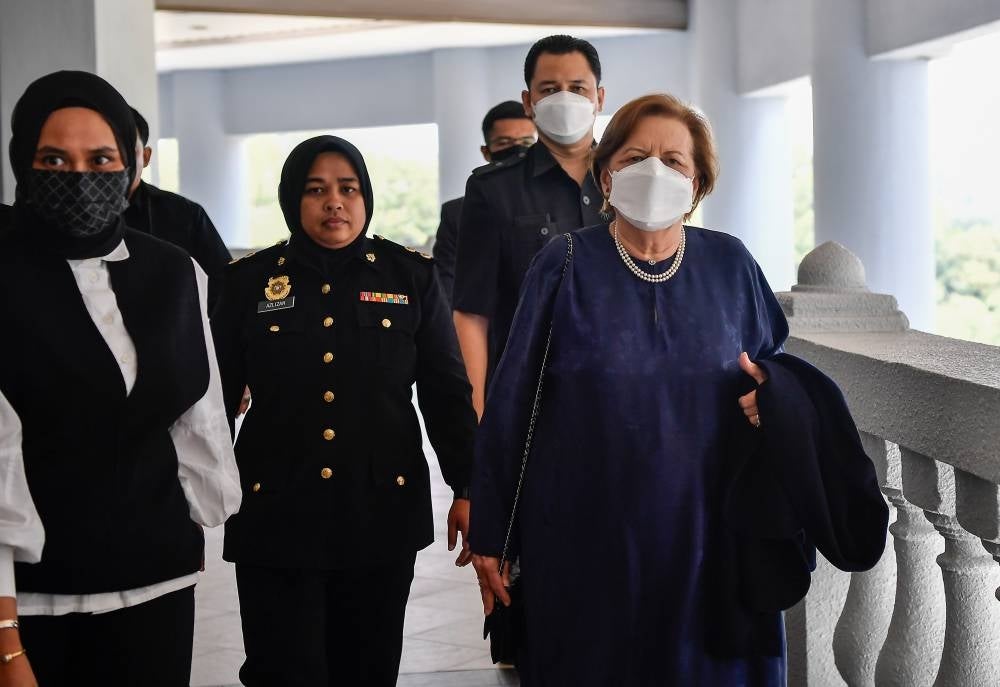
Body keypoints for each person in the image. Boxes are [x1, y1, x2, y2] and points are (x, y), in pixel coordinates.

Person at [468, 94, 889, 685]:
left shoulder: (731, 264)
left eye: (674, 161)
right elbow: (512, 404)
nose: (654, 172)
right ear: (607, 173)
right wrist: (490, 530)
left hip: (714, 536)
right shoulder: (563, 264)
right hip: (586, 534)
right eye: (637, 156)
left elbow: (771, 363)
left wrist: (771, 397)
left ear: (697, 185)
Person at [0, 70, 241, 687]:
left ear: (131, 166)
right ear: (22, 162)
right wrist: (5, 640)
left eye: (101, 158)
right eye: (54, 158)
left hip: (156, 578)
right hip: (34, 598)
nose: (80, 178)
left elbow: (199, 414)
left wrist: (197, 517)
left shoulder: (172, 271)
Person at [211, 135, 477, 686]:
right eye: (316, 190)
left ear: (365, 197)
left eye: (348, 189)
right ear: (292, 200)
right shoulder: (245, 284)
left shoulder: (410, 277)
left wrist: (469, 487)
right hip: (276, 514)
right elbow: (213, 406)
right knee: (283, 669)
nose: (335, 202)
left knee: (368, 669)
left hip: (379, 512)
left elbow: (445, 390)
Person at [452, 35, 606, 416]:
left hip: (622, 393)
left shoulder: (630, 177)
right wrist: (477, 416)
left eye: (577, 88)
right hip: (530, 398)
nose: (565, 98)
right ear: (529, 101)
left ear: (599, 98)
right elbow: (472, 313)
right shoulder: (493, 189)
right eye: (550, 89)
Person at [123, 107, 231, 309]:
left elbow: (225, 286)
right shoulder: (68, 213)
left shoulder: (185, 215)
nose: (116, 162)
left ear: (145, 157)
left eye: (126, 150)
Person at [432, 101, 536, 304]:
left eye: (526, 142)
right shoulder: (457, 214)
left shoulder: (560, 200)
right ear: (486, 152)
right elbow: (447, 287)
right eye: (505, 143)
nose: (518, 150)